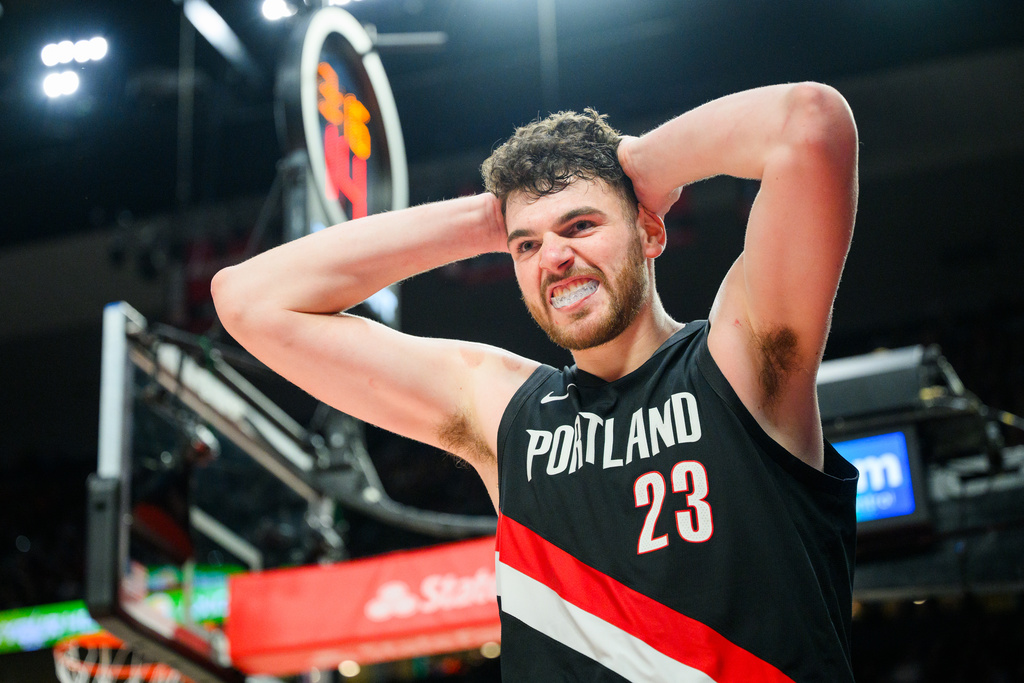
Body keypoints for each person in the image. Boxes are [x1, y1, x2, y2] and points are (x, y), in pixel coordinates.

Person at [212, 82, 860, 682]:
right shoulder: (508, 413)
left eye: (580, 225)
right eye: (527, 245)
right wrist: (485, 224)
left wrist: (640, 165)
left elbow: (809, 124)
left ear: (650, 228)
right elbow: (247, 299)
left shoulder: (739, 360)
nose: (553, 256)